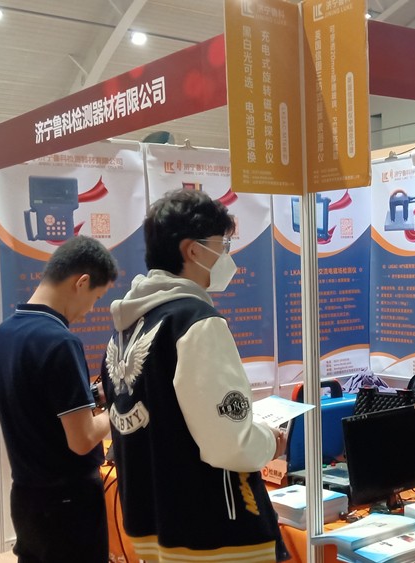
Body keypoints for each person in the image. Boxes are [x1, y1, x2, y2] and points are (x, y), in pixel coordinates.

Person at [102, 190, 288, 562]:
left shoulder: (126, 328)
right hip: (215, 529)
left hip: (153, 520)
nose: (228, 256)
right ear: (192, 250)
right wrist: (270, 441)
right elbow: (230, 443)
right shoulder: (196, 323)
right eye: (223, 245)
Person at [0, 236, 117, 563]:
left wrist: (92, 399)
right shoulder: (60, 342)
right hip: (68, 502)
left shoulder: (4, 334)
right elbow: (82, 440)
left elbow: (39, 406)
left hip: (26, 495)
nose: (90, 310)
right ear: (82, 282)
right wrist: (120, 407)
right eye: (96, 298)